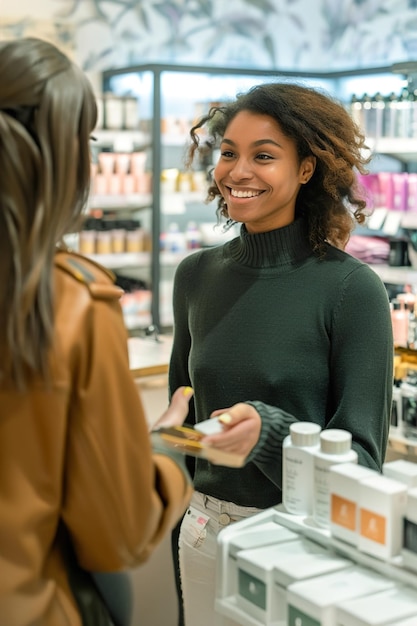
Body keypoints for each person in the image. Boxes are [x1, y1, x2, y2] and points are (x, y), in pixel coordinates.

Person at [168, 81, 394, 626]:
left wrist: (269, 434)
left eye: (263, 156)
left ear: (307, 170)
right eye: (228, 153)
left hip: (303, 544)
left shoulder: (351, 290)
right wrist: (160, 443)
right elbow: (186, 424)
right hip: (202, 533)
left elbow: (364, 465)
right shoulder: (195, 275)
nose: (237, 172)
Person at [0, 37, 194, 626]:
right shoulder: (71, 302)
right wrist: (164, 451)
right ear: (65, 155)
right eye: (88, 142)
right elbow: (118, 532)